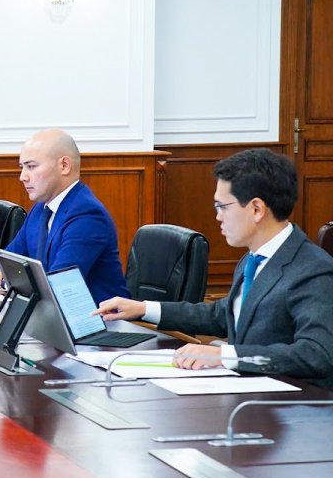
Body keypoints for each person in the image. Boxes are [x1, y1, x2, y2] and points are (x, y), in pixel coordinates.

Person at [95, 149, 333, 386]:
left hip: (292, 401)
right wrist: (143, 308)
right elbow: (224, 315)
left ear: (256, 209)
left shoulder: (313, 270)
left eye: (222, 206)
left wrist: (225, 356)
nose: (218, 216)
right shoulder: (253, 259)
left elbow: (316, 353)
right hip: (249, 392)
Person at [0, 129, 129, 303]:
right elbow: (5, 259)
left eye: (31, 166)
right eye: (22, 168)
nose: (22, 177)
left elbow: (59, 285)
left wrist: (8, 280)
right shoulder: (40, 209)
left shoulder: (87, 215)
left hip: (97, 317)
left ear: (64, 166)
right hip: (50, 313)